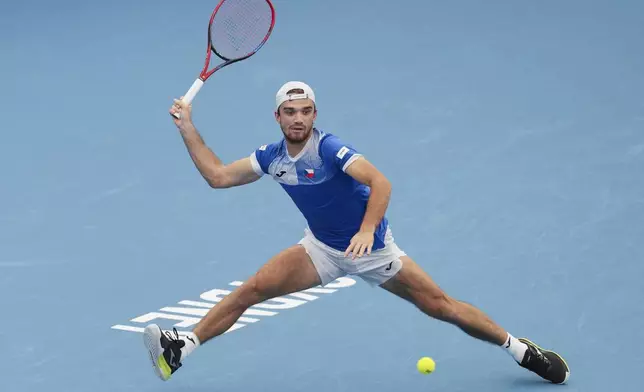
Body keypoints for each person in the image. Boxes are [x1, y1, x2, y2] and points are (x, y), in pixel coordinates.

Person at [142, 81, 570, 385]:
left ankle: (520, 349)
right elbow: (217, 176)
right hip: (323, 250)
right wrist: (187, 127)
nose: (298, 118)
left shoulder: (330, 148)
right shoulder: (271, 157)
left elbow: (380, 182)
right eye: (290, 112)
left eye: (306, 110)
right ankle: (183, 347)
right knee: (252, 288)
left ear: (315, 114)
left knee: (441, 307)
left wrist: (367, 231)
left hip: (372, 251)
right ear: (277, 116)